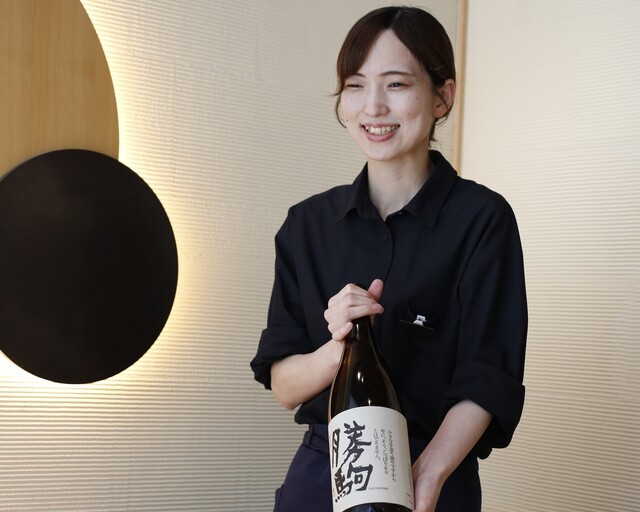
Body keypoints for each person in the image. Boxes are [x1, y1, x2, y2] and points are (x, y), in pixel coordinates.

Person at [251, 6, 527, 512]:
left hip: (434, 478)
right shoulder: (306, 225)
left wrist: (430, 473)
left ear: (442, 96)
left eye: (396, 84)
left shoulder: (483, 219)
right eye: (355, 86)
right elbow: (284, 386)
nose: (373, 107)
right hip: (321, 477)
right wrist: (340, 348)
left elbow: (489, 374)